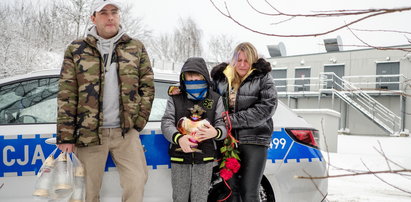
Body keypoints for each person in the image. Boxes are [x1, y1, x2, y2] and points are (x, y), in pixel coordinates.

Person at [56, 0, 155, 201]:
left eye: (114, 12)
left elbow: (147, 86)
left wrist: (138, 123)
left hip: (125, 133)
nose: (110, 17)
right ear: (93, 17)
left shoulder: (135, 47)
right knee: (86, 192)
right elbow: (67, 92)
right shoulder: (76, 49)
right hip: (89, 134)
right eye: (103, 13)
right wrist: (66, 136)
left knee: (136, 182)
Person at [211, 42, 278, 202]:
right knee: (230, 192)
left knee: (250, 192)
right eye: (239, 60)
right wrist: (183, 92)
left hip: (254, 140)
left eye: (246, 61)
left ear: (253, 61)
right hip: (227, 142)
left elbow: (267, 107)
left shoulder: (263, 77)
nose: (242, 64)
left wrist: (232, 120)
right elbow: (208, 101)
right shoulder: (221, 78)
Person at [161, 57, 227, 202]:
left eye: (196, 75)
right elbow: (166, 122)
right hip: (180, 157)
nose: (192, 79)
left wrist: (215, 132)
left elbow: (223, 125)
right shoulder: (175, 97)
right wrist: (179, 138)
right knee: (180, 198)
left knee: (200, 198)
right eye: (189, 76)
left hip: (205, 158)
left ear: (203, 75)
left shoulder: (215, 98)